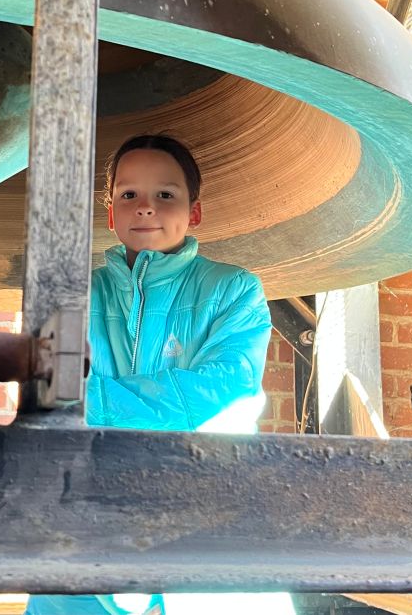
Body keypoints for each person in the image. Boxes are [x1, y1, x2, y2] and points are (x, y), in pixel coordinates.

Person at [25, 134, 274, 615]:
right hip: (85, 514)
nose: (145, 208)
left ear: (194, 211)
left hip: (205, 510)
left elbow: (227, 391)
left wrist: (93, 398)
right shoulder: (74, 293)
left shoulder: (234, 290)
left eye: (165, 194)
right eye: (128, 195)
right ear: (110, 211)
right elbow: (47, 392)